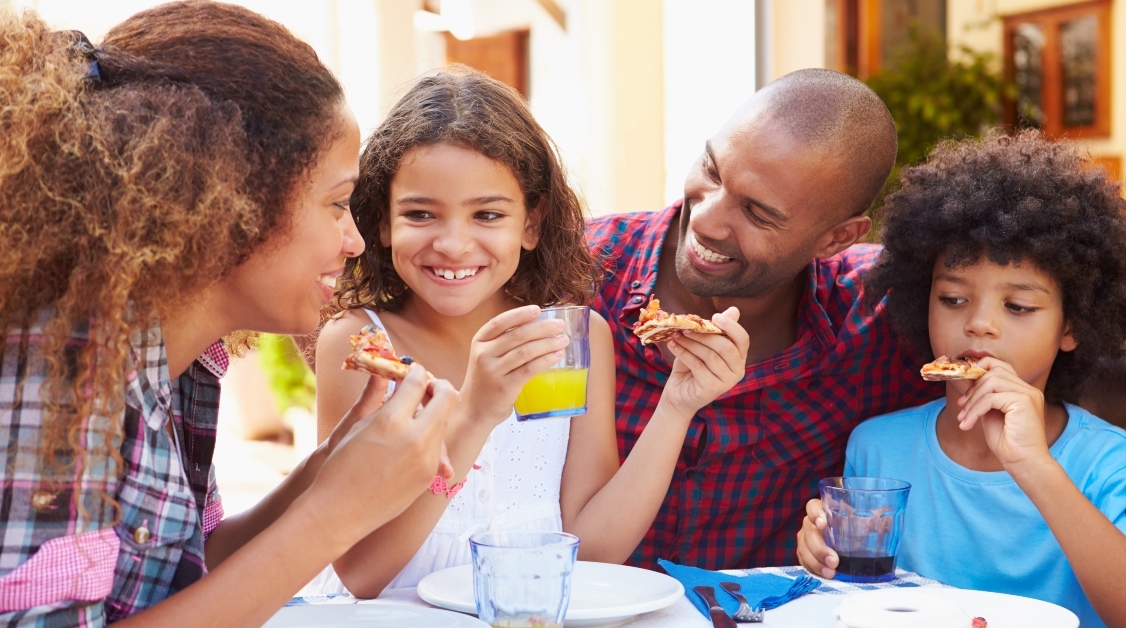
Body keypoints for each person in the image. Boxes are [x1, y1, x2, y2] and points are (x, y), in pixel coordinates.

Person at [587, 68, 1126, 570]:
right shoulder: (581, 275)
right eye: (713, 170)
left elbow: (1046, 357)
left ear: (838, 237)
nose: (711, 221)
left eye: (758, 212)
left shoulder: (885, 312)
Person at [0, 4, 456, 626]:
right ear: (232, 207)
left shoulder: (181, 367)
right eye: (337, 204)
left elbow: (185, 573)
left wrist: (332, 467)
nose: (354, 241)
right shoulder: (63, 372)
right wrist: (338, 514)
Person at [309, 68, 749, 598]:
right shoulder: (363, 347)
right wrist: (473, 416)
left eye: (487, 214)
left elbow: (591, 549)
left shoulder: (570, 340)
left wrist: (677, 406)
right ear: (381, 221)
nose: (453, 244)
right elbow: (363, 573)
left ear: (532, 223)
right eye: (421, 213)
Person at [795, 131, 1126, 628]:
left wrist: (1033, 465)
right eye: (952, 299)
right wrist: (823, 559)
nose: (979, 324)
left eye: (1018, 306)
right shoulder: (877, 447)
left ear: (1071, 326)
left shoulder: (1105, 461)